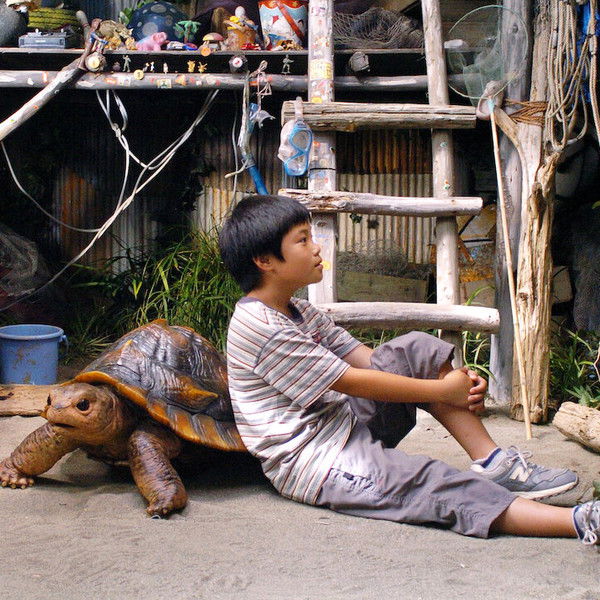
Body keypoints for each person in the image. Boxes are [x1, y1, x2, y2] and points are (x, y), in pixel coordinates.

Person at [218, 194, 599, 545]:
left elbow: (370, 361)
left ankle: (494, 464)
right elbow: (351, 382)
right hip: (317, 461)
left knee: (416, 348)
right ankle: (581, 521)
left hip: (344, 425)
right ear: (265, 261)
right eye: (302, 240)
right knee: (433, 483)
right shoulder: (260, 326)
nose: (316, 247)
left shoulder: (300, 311)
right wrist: (441, 391)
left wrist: (455, 382)